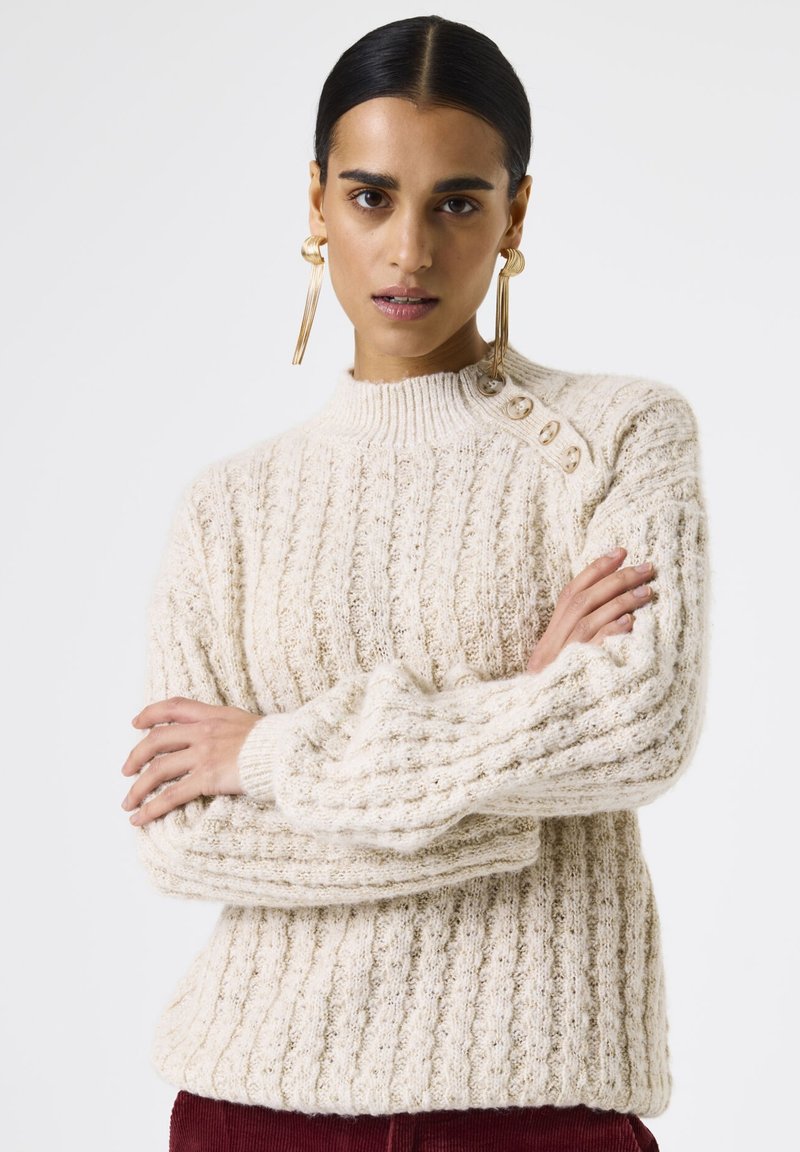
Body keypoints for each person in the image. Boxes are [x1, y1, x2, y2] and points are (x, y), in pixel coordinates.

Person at [121, 14, 709, 1152]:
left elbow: (635, 727)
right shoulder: (227, 507)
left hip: (537, 1109)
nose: (409, 252)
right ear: (316, 203)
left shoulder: (620, 434)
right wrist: (522, 729)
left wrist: (270, 754)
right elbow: (186, 836)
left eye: (456, 203)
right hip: (251, 1104)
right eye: (370, 197)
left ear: (514, 215)